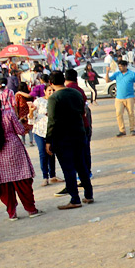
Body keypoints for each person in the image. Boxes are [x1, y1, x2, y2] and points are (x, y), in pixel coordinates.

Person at [0, 93, 42, 220]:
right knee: (22, 180)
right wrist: (23, 122)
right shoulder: (9, 114)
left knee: (5, 185)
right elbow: (20, 131)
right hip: (15, 150)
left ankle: (12, 213)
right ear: (0, 103)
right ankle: (31, 210)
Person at [46, 71, 94, 209]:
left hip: (63, 137)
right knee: (81, 165)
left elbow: (52, 120)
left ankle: (75, 198)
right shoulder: (76, 93)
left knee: (68, 168)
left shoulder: (54, 98)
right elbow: (82, 111)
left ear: (51, 83)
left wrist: (48, 140)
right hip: (79, 133)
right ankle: (89, 194)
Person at [28, 89, 58, 186]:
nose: (51, 92)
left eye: (53, 90)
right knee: (43, 153)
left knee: (51, 153)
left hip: (51, 132)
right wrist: (31, 111)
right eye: (49, 90)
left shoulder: (56, 101)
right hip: (39, 132)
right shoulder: (38, 101)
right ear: (44, 91)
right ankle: (45, 177)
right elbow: (31, 118)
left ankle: (53, 176)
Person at [108, 59, 135, 137]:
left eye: (121, 66)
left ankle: (132, 129)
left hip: (130, 97)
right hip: (119, 98)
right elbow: (107, 80)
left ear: (125, 66)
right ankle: (122, 130)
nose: (120, 68)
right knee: (119, 113)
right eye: (119, 66)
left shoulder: (132, 74)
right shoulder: (117, 74)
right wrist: (107, 72)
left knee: (130, 113)